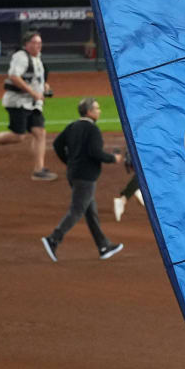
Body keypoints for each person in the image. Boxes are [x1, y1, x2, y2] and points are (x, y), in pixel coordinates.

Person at [41, 98, 124, 262]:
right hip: (85, 177)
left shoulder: (73, 126)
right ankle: (53, 239)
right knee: (77, 210)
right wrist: (113, 158)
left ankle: (103, 246)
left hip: (74, 174)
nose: (99, 111)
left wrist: (69, 161)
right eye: (97, 108)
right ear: (89, 112)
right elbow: (95, 152)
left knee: (90, 211)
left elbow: (58, 144)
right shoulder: (92, 129)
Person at [0, 31, 57, 181]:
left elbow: (37, 79)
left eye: (40, 43)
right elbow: (14, 76)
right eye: (35, 43)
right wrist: (33, 93)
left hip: (32, 104)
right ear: (26, 44)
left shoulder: (37, 58)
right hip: (18, 103)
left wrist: (44, 87)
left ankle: (39, 170)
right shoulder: (21, 57)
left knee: (40, 132)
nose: (38, 45)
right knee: (18, 136)